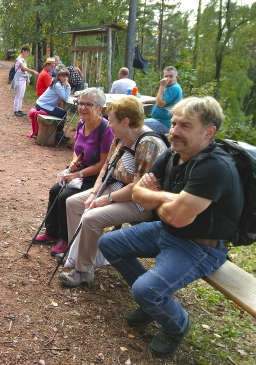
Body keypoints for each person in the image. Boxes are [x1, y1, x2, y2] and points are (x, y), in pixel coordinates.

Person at [99, 97, 243, 358]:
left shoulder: (214, 167)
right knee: (109, 243)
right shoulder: (172, 153)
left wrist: (157, 195)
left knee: (145, 290)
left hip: (200, 246)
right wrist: (168, 197)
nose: (174, 131)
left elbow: (176, 217)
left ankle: (176, 325)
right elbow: (138, 194)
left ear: (208, 132)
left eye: (185, 126)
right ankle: (151, 304)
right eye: (174, 123)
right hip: (167, 230)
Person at [59, 96, 168, 287]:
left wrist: (107, 199)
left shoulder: (149, 144)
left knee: (91, 218)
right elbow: (105, 168)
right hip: (114, 188)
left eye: (112, 120)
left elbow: (138, 187)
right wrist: (94, 193)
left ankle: (84, 270)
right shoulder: (120, 138)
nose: (108, 125)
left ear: (125, 122)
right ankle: (78, 254)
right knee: (73, 203)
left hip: (140, 202)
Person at [34, 88, 113, 256]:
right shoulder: (81, 123)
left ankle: (66, 238)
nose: (83, 108)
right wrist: (74, 162)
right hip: (81, 170)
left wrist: (79, 174)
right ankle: (52, 232)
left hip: (96, 176)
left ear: (100, 108)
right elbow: (78, 150)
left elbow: (103, 164)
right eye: (81, 103)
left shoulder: (106, 130)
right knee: (55, 190)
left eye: (88, 104)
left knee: (64, 197)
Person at [36, 65, 72, 142]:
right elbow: (66, 98)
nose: (65, 79)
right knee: (63, 113)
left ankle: (59, 133)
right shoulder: (58, 85)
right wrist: (68, 87)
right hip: (42, 105)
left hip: (48, 105)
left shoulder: (62, 84)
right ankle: (58, 134)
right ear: (59, 77)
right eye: (63, 76)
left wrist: (63, 95)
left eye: (66, 77)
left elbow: (65, 96)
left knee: (63, 113)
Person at [145, 66, 183, 132]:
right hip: (158, 121)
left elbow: (159, 104)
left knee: (135, 124)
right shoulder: (169, 87)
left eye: (171, 76)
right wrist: (144, 102)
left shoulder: (174, 88)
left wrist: (162, 86)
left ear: (176, 77)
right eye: (166, 76)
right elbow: (159, 99)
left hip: (164, 123)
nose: (168, 79)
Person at [11, 46, 39, 116]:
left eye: (28, 52)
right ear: (23, 51)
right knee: (18, 95)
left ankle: (19, 109)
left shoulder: (23, 60)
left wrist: (27, 80)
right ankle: (15, 110)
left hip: (24, 79)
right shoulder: (19, 59)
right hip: (19, 79)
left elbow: (25, 72)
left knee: (21, 95)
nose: (27, 53)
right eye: (27, 52)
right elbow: (23, 68)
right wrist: (33, 71)